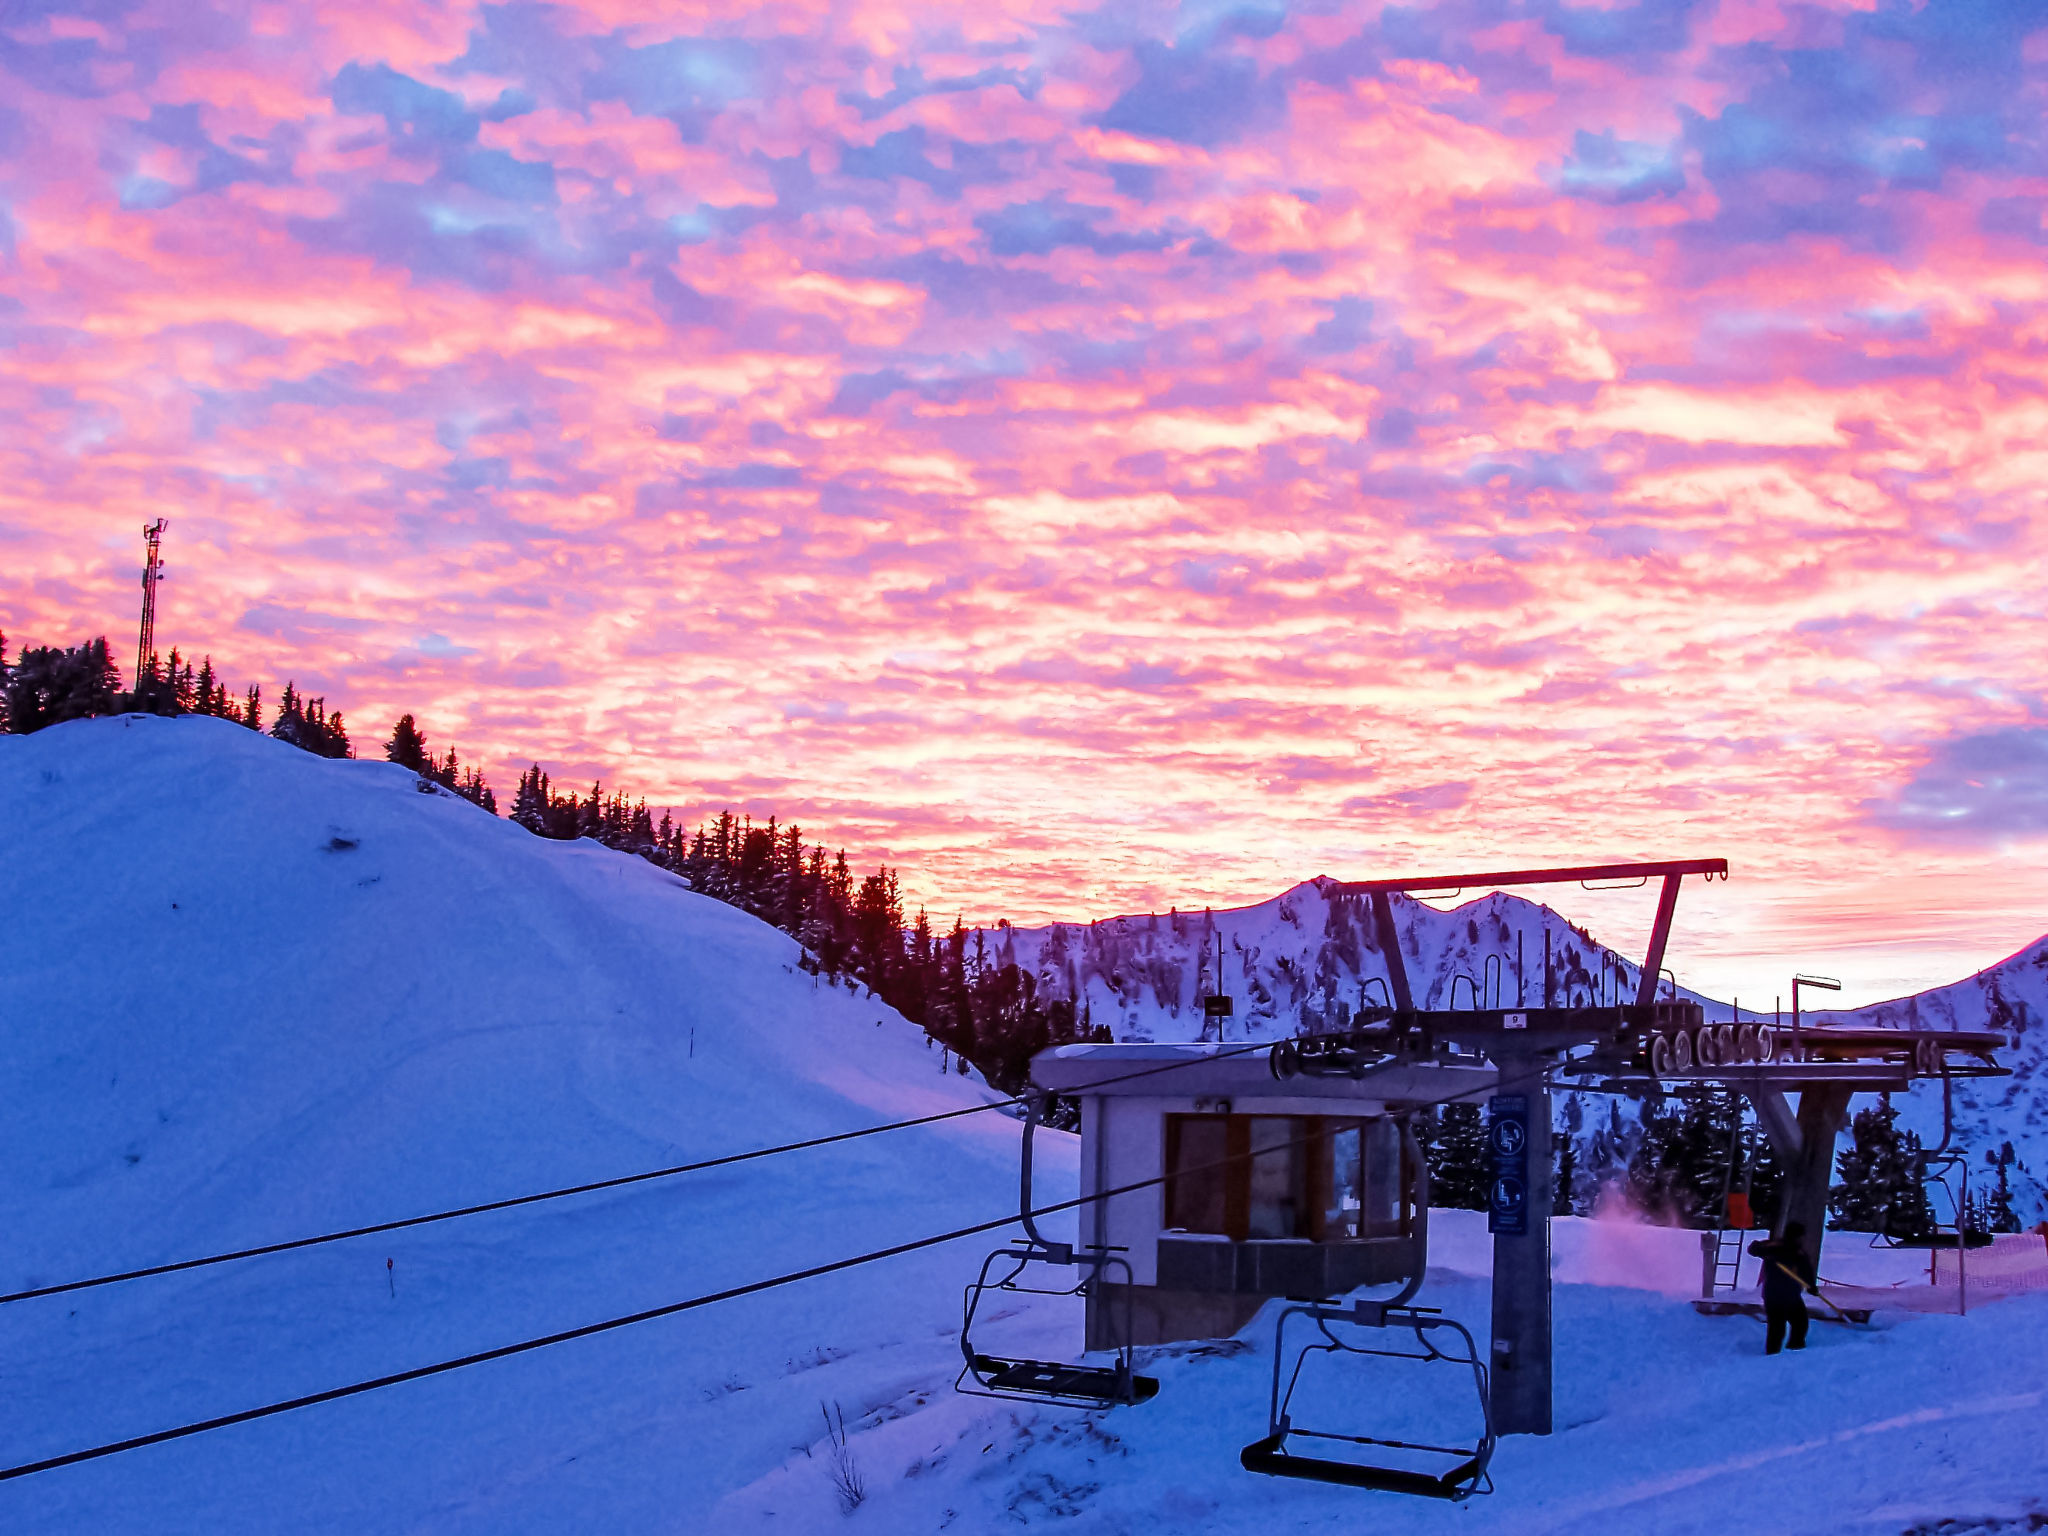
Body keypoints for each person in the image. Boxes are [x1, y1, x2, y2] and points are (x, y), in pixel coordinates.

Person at [1748, 1221, 1818, 1354]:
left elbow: (1806, 1272)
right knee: (1777, 1329)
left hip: (1791, 1296)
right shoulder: (1775, 1247)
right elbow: (1752, 1248)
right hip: (1775, 1297)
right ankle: (1772, 1357)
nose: (1803, 1239)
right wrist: (1762, 1250)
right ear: (1796, 1236)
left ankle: (1795, 1350)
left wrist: (1811, 1286)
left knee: (1800, 1323)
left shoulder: (1798, 1253)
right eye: (1801, 1236)